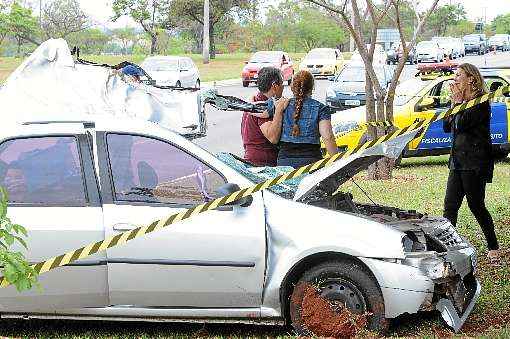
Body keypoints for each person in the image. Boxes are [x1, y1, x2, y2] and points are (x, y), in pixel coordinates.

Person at [443, 63, 501, 265]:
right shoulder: (459, 101)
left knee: (476, 206)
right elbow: (446, 126)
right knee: (450, 206)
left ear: (471, 78)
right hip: (457, 160)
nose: (455, 78)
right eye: (455, 75)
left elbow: (461, 125)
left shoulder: (481, 102)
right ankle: (448, 250)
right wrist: (454, 103)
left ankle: (493, 246)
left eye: (459, 75)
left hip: (475, 161)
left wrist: (458, 103)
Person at [251, 70, 338, 168]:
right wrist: (337, 161)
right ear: (312, 88)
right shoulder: (321, 108)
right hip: (312, 162)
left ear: (292, 87)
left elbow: (260, 112)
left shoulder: (280, 104)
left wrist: (250, 105)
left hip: (285, 164)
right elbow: (328, 136)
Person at [240, 67, 285, 166]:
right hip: (262, 163)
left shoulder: (253, 102)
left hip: (252, 158)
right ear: (274, 86)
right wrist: (279, 111)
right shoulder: (263, 107)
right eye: (282, 83)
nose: (283, 87)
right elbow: (272, 137)